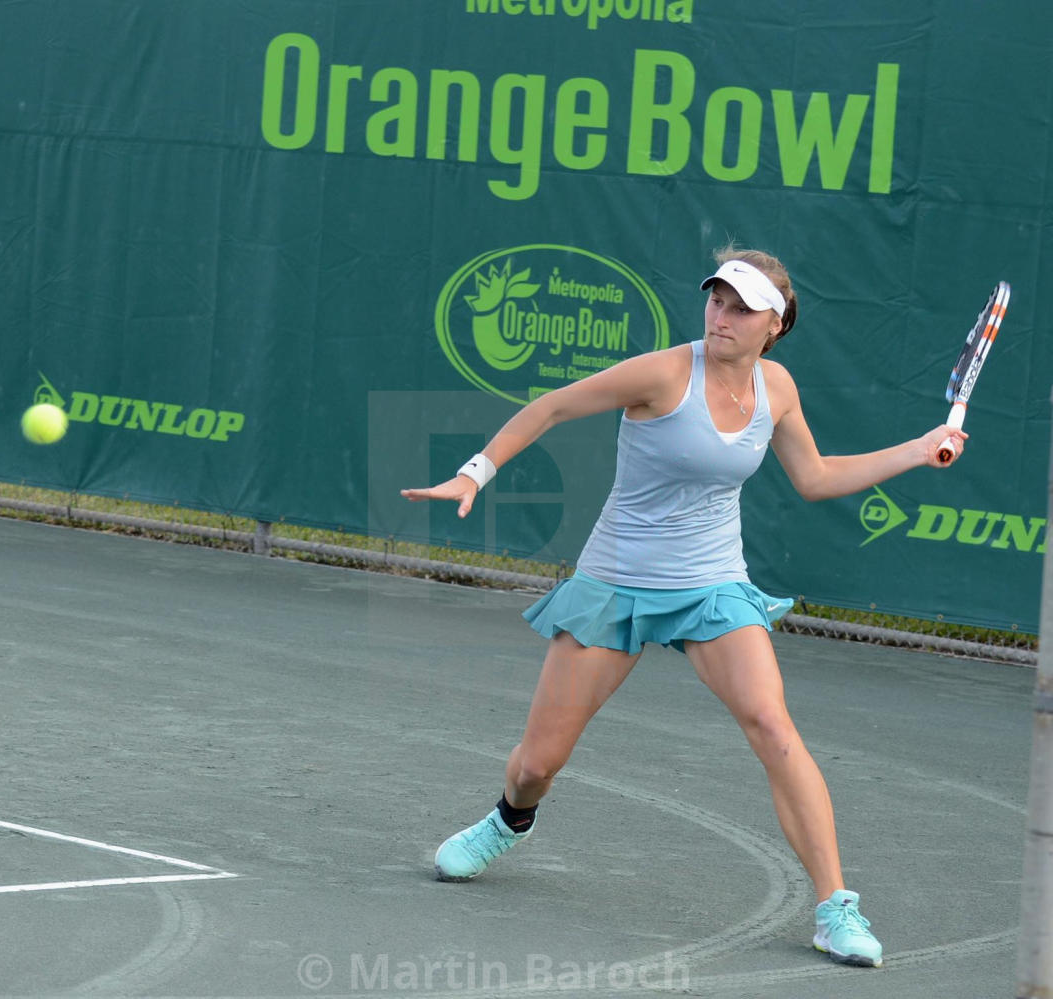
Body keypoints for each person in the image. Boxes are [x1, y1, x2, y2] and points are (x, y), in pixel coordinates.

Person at [400, 247, 966, 969]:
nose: (721, 315)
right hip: (618, 578)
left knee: (771, 722)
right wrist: (474, 471)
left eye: (741, 306)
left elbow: (816, 477)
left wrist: (920, 449)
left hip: (712, 582)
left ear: (775, 322)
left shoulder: (778, 388)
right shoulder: (666, 372)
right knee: (538, 762)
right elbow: (553, 405)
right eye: (717, 299)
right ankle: (510, 818)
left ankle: (835, 906)